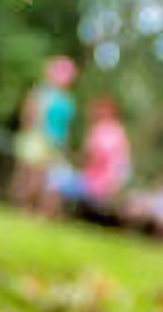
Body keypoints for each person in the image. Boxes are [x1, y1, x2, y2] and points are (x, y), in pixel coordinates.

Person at [9, 55, 78, 211]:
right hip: (37, 138)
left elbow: (65, 126)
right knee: (27, 175)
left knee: (42, 179)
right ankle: (20, 207)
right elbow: (28, 115)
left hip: (54, 142)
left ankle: (32, 209)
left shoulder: (67, 99)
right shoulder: (41, 92)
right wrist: (34, 133)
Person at [61, 93, 131, 214]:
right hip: (97, 180)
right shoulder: (112, 131)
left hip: (98, 182)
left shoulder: (108, 131)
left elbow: (93, 156)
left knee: (61, 184)